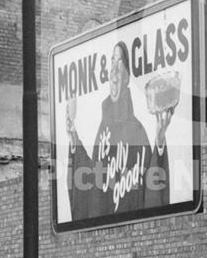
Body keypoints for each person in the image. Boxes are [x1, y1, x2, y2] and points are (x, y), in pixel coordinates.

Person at [66, 42, 172, 222]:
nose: (114, 68)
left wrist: (160, 139)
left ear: (127, 77)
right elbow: (90, 180)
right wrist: (73, 134)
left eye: (120, 62)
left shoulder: (136, 130)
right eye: (112, 61)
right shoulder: (103, 129)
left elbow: (152, 183)